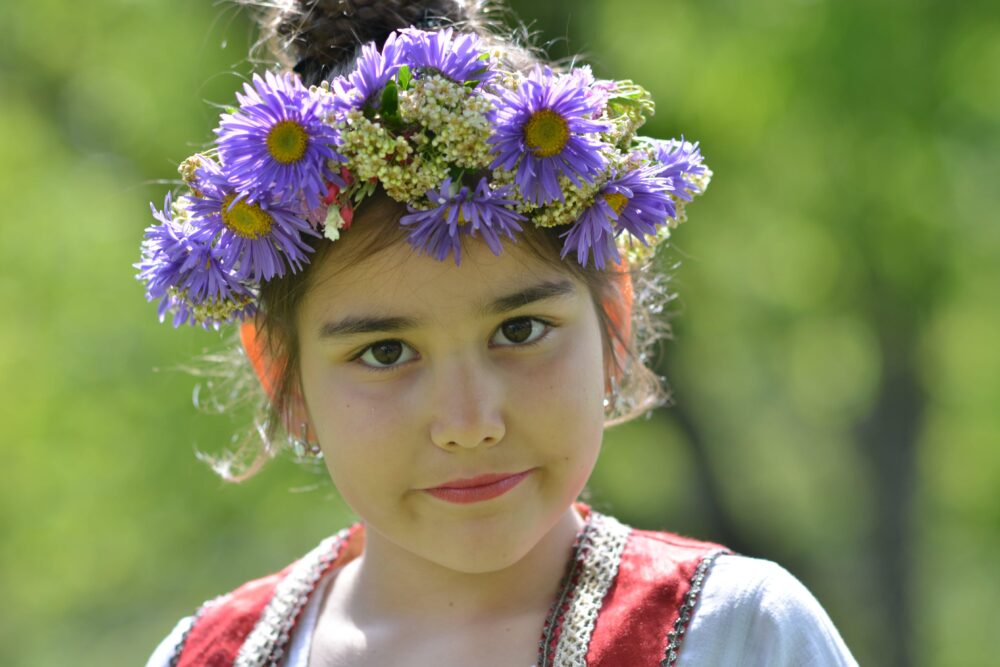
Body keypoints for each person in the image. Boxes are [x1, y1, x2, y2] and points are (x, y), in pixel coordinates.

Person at [139, 1, 858, 664]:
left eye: (519, 330)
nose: (469, 422)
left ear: (612, 313)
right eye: (385, 351)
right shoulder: (203, 656)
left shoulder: (739, 633)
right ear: (283, 376)